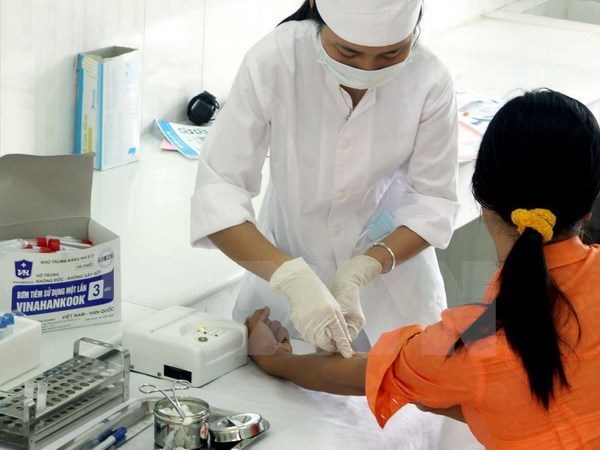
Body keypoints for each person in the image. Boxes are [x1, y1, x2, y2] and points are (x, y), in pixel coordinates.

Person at [245, 89, 600, 448]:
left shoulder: (468, 344)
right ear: (587, 208)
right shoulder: (481, 334)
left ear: (481, 199)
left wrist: (276, 360)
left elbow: (363, 374)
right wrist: (428, 387)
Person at [191, 0, 459, 357]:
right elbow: (218, 193)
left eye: (391, 54)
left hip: (393, 297)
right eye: (348, 52)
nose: (366, 69)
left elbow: (433, 203)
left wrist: (367, 266)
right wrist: (291, 279)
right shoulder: (276, 60)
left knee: (400, 401)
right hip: (282, 288)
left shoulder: (430, 78)